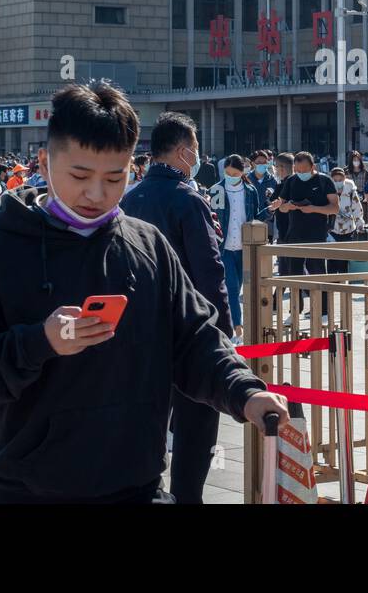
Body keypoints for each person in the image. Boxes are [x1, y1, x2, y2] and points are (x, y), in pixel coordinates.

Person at [0, 83, 285, 504]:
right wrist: (39, 342)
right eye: (80, 176)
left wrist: (245, 391)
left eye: (115, 177)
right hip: (22, 491)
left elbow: (195, 341)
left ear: (133, 167)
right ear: (44, 161)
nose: (97, 194)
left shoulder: (147, 247)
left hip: (135, 485)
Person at [120, 112, 236, 504]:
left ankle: (147, 490)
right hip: (187, 332)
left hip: (137, 332)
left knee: (145, 419)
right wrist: (224, 332)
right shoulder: (188, 199)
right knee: (197, 421)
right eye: (197, 150)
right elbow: (210, 270)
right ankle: (188, 497)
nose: (199, 157)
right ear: (184, 152)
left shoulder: (130, 198)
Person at [270, 152, 339, 322]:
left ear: (313, 167)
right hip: (295, 233)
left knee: (317, 271)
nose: (301, 173)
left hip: (317, 233)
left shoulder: (324, 181)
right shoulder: (292, 181)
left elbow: (334, 208)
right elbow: (282, 206)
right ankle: (295, 311)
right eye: (297, 169)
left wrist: (314, 208)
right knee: (294, 273)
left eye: (304, 170)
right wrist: (286, 206)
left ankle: (323, 310)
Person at [206, 154, 263, 343]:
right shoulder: (216, 190)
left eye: (235, 173)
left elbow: (256, 216)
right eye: (228, 173)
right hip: (224, 247)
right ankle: (237, 330)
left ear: (242, 172)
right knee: (231, 288)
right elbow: (211, 220)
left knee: (237, 289)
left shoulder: (250, 190)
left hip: (244, 247)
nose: (231, 176)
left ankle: (228, 322)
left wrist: (271, 210)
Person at [327, 165, 365, 276]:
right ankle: (332, 282)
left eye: (340, 180)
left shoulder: (350, 189)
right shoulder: (328, 189)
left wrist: (360, 224)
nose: (338, 182)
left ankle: (344, 281)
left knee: (344, 256)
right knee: (332, 256)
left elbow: (357, 207)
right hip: (332, 228)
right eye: (335, 180)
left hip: (348, 227)